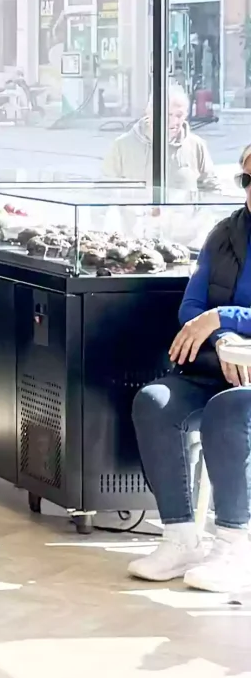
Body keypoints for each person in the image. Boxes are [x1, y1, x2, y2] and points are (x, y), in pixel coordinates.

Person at [127, 148, 251, 593]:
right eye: (247, 180)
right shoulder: (225, 234)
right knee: (154, 402)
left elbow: (208, 315)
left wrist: (222, 319)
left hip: (241, 386)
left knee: (228, 411)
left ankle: (236, 545)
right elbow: (191, 307)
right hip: (217, 365)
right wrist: (224, 340)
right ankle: (181, 538)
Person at [103, 85, 224, 193]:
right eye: (168, 114)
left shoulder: (196, 146)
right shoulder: (122, 146)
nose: (174, 121)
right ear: (150, 113)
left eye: (179, 115)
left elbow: (212, 188)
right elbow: (106, 191)